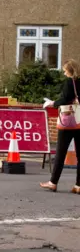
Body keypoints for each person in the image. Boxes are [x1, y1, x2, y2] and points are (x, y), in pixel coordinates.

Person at [40, 59, 80, 194]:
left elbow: (64, 99)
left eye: (64, 71)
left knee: (61, 152)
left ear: (69, 70)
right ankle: (78, 185)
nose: (64, 73)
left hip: (69, 121)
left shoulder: (69, 82)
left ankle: (53, 182)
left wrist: (52, 103)